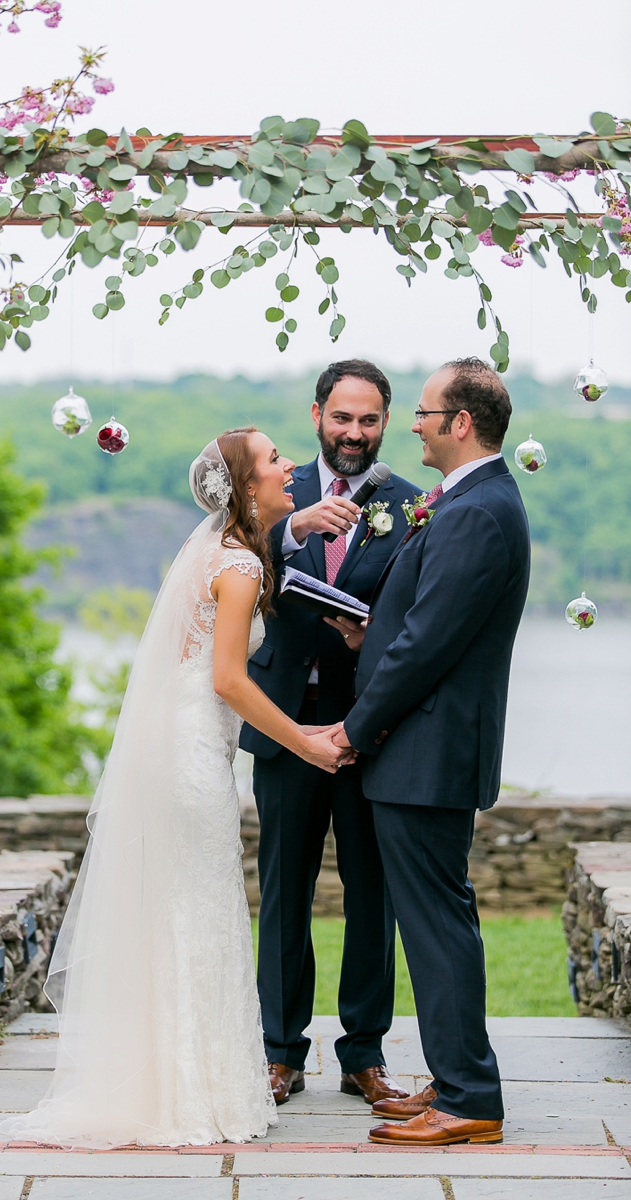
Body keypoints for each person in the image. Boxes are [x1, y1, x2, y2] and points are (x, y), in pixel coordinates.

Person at [2, 427, 354, 1150]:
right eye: (274, 460)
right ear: (249, 485)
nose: (290, 466)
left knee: (182, 908)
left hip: (183, 741)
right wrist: (306, 742)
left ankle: (172, 1082)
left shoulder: (224, 553)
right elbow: (228, 678)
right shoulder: (240, 569)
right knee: (200, 906)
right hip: (193, 754)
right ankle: (194, 1094)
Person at [330, 358, 531, 1146]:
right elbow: (414, 622)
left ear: (461, 424)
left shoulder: (479, 511)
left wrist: (351, 728)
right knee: (431, 922)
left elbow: (427, 647)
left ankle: (471, 1100)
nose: (410, 424)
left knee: (439, 926)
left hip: (429, 749)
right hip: (421, 750)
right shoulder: (462, 501)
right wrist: (368, 628)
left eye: (420, 412)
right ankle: (454, 1079)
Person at [240, 359, 418, 1107]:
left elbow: (420, 616)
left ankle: (364, 1054)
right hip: (286, 724)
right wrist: (286, 533)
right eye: (341, 417)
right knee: (284, 889)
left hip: (370, 729)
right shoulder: (275, 493)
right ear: (316, 414)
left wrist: (366, 642)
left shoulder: (414, 505)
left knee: (371, 894)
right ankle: (280, 1051)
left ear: (384, 422)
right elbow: (227, 572)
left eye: (368, 419)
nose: (353, 432)